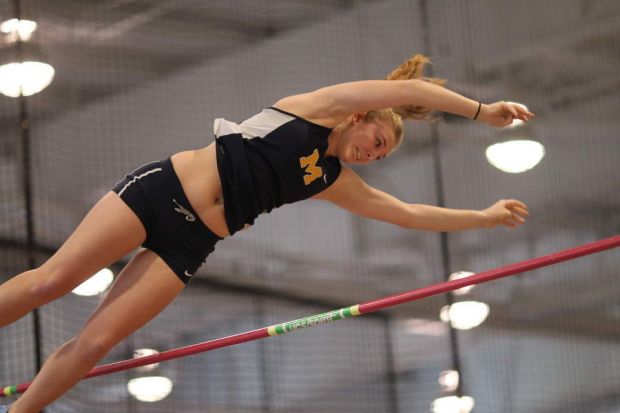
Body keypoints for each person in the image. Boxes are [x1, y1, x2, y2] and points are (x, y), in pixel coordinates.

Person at [0, 54, 533, 413]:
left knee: (98, 342)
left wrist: (483, 218)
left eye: (381, 156)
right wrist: (483, 111)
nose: (373, 155)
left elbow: (408, 214)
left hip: (189, 244)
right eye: (376, 141)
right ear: (361, 117)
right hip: (160, 194)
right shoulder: (316, 109)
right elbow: (413, 89)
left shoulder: (332, 179)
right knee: (52, 281)